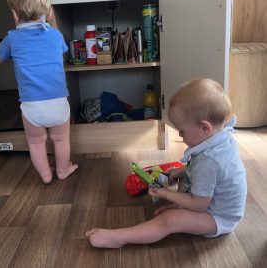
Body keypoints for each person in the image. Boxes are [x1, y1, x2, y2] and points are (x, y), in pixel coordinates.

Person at [86, 78, 247, 248]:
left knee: (169, 221)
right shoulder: (219, 137)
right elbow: (200, 169)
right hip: (210, 202)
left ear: (205, 128)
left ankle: (119, 238)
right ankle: (181, 207)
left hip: (217, 217)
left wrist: (166, 194)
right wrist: (181, 172)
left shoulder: (210, 161)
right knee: (184, 178)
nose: (179, 135)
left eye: (182, 131)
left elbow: (199, 204)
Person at [0, 0, 78, 184]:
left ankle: (46, 175)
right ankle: (63, 170)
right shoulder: (56, 35)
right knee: (61, 139)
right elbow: (63, 50)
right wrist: (51, 21)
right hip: (58, 102)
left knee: (36, 143)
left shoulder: (12, 38)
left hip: (32, 106)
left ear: (14, 14)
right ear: (49, 13)